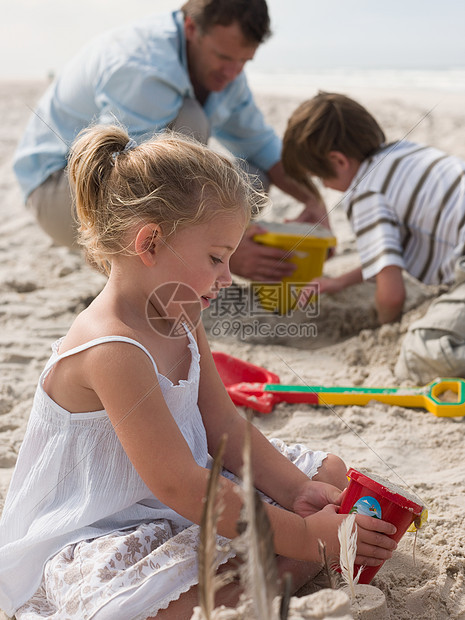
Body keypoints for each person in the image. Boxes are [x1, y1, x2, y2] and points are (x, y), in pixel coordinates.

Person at [0, 125, 396, 619]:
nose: (227, 278)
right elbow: (180, 485)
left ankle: (282, 558)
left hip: (185, 493)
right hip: (109, 524)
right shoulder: (113, 348)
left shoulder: (181, 312)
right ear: (149, 242)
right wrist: (303, 537)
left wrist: (295, 493)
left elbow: (225, 427)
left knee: (328, 476)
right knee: (185, 599)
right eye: (216, 258)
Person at [13, 0, 328, 283]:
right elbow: (127, 178)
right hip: (62, 190)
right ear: (191, 28)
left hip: (116, 186)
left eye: (244, 61)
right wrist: (223, 251)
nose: (232, 73)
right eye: (223, 57)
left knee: (251, 179)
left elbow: (265, 150)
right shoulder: (144, 63)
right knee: (190, 123)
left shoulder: (227, 73)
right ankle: (142, 276)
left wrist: (315, 202)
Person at [282, 91, 465, 384]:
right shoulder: (403, 153)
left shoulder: (365, 192)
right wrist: (341, 281)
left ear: (339, 161)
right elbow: (393, 250)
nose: (325, 186)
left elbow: (392, 294)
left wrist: (387, 330)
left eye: (321, 178)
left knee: (420, 355)